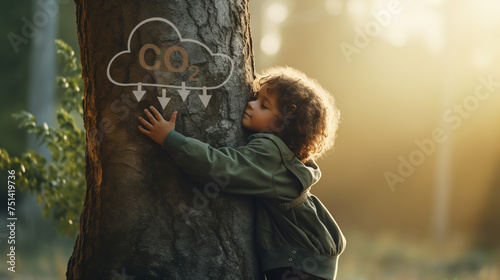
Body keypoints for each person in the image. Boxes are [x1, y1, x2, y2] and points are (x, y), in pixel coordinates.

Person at [138, 66, 346, 280]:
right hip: (308, 262)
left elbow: (218, 167)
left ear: (284, 126)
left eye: (263, 105)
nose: (250, 104)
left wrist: (170, 139)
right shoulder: (282, 156)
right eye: (256, 97)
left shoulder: (270, 154)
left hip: (301, 263)